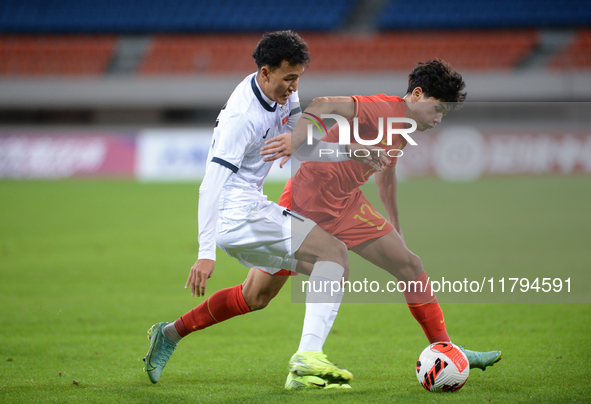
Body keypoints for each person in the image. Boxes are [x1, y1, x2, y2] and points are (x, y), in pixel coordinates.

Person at [143, 30, 386, 389]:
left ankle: (169, 334)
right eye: (288, 78)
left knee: (259, 294)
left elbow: (300, 145)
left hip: (250, 207)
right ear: (265, 72)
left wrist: (353, 152)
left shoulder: (283, 92)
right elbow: (211, 184)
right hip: (238, 213)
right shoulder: (243, 117)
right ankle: (306, 361)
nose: (293, 86)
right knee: (333, 254)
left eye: (298, 78)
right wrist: (205, 253)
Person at [257, 59, 501, 389]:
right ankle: (173, 332)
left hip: (345, 203)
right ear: (417, 94)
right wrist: (296, 140)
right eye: (438, 108)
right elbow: (324, 104)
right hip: (307, 201)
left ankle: (446, 348)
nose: (439, 119)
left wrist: (396, 229)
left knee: (409, 263)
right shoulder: (382, 110)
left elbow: (386, 176)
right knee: (256, 295)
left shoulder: (403, 128)